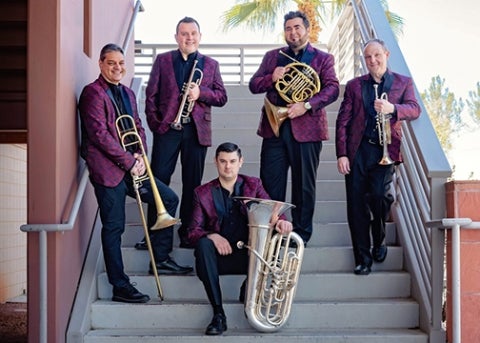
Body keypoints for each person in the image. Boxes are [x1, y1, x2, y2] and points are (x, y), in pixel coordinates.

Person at [78, 43, 192, 303]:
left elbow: (137, 126)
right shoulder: (92, 93)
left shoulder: (128, 93)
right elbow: (99, 136)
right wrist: (129, 161)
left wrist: (140, 154)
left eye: (121, 63)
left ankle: (160, 258)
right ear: (100, 64)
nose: (117, 67)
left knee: (169, 199)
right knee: (114, 226)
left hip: (132, 165)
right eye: (111, 63)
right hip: (108, 170)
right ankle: (120, 285)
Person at [249, 11, 339, 245]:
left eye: (297, 27)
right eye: (288, 28)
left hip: (307, 130)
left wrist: (307, 105)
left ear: (307, 29)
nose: (293, 32)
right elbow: (253, 85)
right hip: (275, 129)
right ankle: (274, 229)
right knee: (270, 183)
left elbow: (332, 89)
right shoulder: (272, 58)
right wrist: (272, 76)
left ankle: (300, 234)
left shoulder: (323, 58)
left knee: (304, 185)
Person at [186, 142, 293, 335]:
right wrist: (212, 235)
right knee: (203, 245)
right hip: (219, 260)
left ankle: (249, 286)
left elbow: (274, 210)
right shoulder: (202, 193)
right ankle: (218, 313)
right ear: (216, 162)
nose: (228, 166)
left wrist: (282, 222)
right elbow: (192, 231)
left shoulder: (254, 184)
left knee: (273, 239)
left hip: (250, 257)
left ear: (240, 162)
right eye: (223, 161)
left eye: (233, 161)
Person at [140, 16, 227, 250]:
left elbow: (222, 97)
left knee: (192, 183)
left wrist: (201, 93)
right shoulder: (163, 60)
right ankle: (153, 232)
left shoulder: (211, 65)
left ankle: (189, 231)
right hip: (168, 129)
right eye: (184, 33)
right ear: (176, 37)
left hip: (196, 131)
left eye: (193, 33)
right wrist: (157, 125)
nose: (189, 37)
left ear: (200, 36)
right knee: (158, 181)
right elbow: (151, 97)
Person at [335, 38, 421, 275]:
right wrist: (342, 154)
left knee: (380, 197)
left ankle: (379, 235)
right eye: (368, 57)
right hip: (358, 151)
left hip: (385, 151)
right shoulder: (354, 86)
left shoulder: (403, 83)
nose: (372, 61)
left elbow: (414, 108)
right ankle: (362, 259)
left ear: (386, 54)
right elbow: (343, 121)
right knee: (356, 206)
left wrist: (393, 109)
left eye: (376, 55)